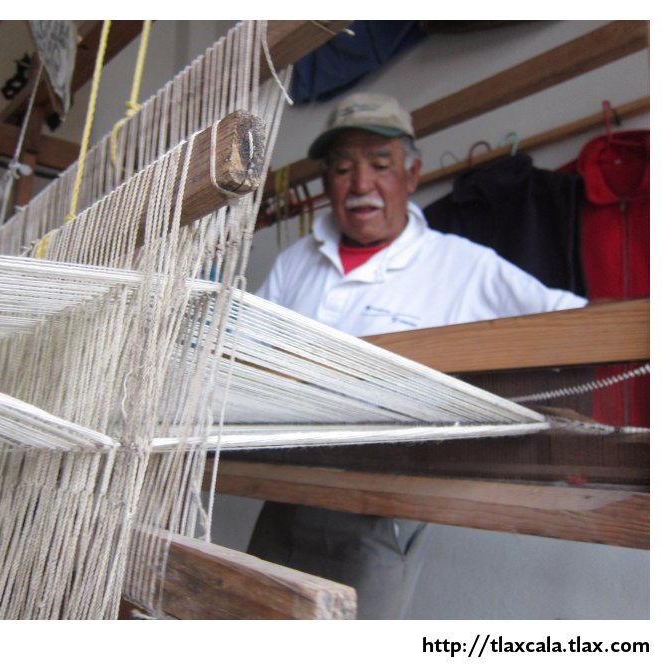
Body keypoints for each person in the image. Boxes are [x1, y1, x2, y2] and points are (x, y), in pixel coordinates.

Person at [247, 92, 587, 619]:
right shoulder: (296, 262)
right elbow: (246, 351)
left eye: (380, 165)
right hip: (281, 488)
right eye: (342, 169)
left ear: (411, 174)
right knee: (252, 625)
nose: (361, 185)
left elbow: (576, 324)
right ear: (326, 182)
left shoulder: (461, 265)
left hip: (383, 508)